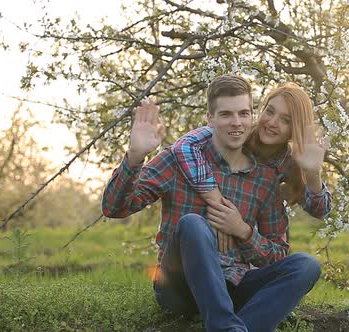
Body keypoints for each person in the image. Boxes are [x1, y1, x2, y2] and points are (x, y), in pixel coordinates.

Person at [101, 75, 321, 332]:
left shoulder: (264, 177)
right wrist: (135, 157)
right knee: (193, 224)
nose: (236, 123)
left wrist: (244, 232)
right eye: (226, 114)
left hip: (234, 286)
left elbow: (276, 255)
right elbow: (114, 208)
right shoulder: (178, 160)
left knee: (306, 265)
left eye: (244, 113)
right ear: (210, 118)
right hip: (178, 288)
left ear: (252, 117)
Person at [171, 82, 332, 251]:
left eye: (285, 120)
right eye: (269, 111)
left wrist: (313, 174)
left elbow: (320, 210)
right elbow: (183, 146)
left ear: (295, 128)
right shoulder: (237, 132)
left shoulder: (289, 162)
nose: (272, 122)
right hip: (206, 225)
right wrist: (218, 203)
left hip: (254, 238)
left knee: (302, 264)